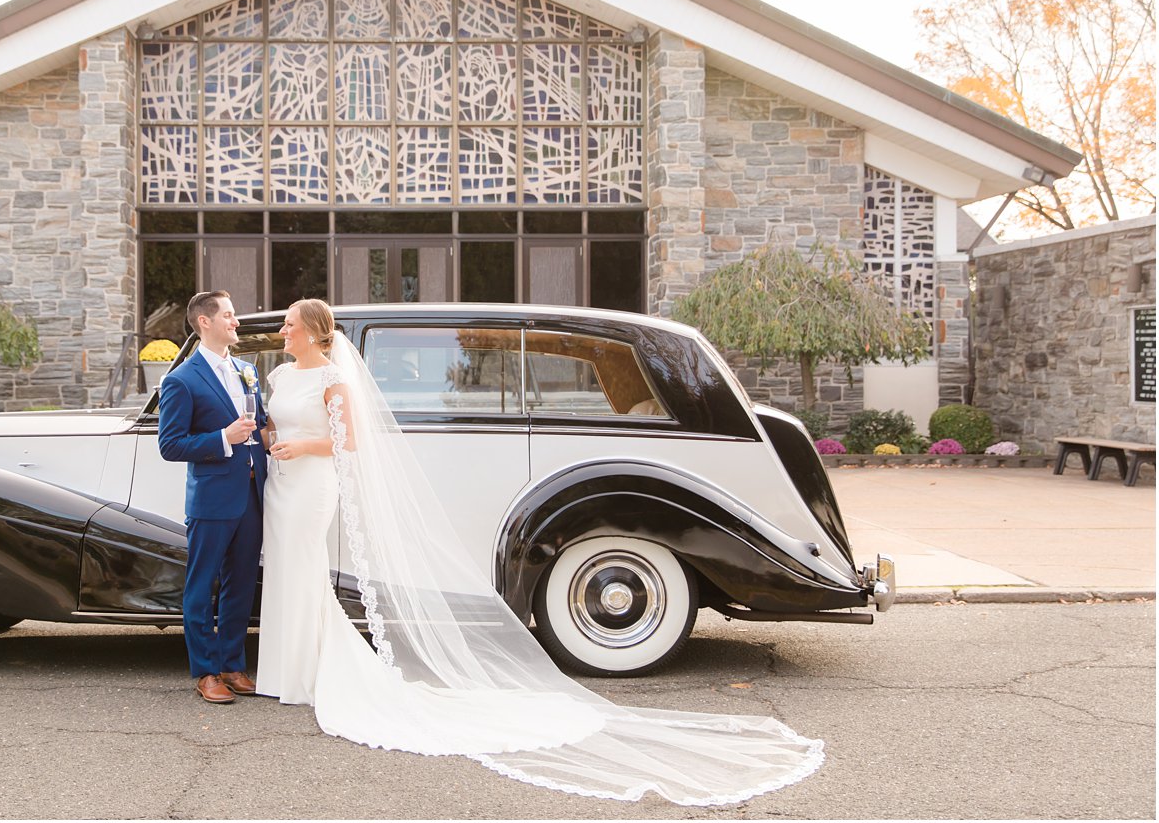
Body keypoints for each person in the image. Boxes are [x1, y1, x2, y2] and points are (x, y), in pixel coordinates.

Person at [255, 298, 825, 805]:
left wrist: (300, 444)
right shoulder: (282, 374)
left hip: (309, 483)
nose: (281, 330)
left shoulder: (332, 375)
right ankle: (287, 667)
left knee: (305, 573)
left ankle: (307, 668)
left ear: (312, 331)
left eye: (287, 324)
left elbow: (346, 435)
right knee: (292, 574)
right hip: (285, 486)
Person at [157, 291, 267, 704]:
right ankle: (205, 672)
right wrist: (223, 438)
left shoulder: (246, 369)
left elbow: (261, 422)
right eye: (229, 315)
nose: (236, 322)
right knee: (202, 586)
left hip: (253, 493)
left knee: (241, 582)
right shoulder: (181, 379)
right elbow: (170, 445)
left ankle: (232, 665)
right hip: (212, 497)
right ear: (205, 322)